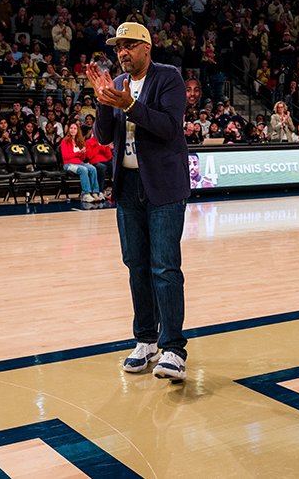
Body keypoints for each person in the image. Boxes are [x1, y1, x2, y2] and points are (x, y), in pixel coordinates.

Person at [88, 21, 189, 383]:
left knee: (164, 267)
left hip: (163, 186)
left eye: (130, 45)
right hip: (128, 186)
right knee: (136, 266)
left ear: (147, 47)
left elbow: (168, 128)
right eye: (118, 47)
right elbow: (103, 136)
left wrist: (129, 104)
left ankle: (174, 348)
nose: (123, 52)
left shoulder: (169, 78)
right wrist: (102, 102)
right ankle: (146, 340)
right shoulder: (115, 85)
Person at [59, 122, 102, 202]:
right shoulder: (64, 141)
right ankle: (86, 194)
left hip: (79, 163)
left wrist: (83, 153)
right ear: (68, 130)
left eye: (75, 128)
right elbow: (65, 157)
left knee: (93, 168)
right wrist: (78, 153)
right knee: (83, 170)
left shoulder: (79, 141)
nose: (73, 130)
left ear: (77, 130)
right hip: (68, 164)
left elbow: (82, 158)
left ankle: (95, 192)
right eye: (71, 128)